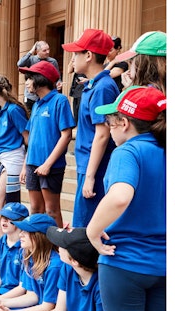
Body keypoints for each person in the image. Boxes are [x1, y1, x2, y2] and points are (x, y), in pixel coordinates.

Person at [87, 86, 166, 311]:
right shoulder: (171, 151)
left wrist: (92, 230)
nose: (109, 129)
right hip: (165, 262)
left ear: (124, 123)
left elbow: (120, 196)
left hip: (124, 261)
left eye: (110, 123)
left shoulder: (127, 152)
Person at [63, 28, 120, 228]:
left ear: (88, 55)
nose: (72, 59)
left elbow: (103, 134)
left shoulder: (103, 87)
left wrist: (90, 176)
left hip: (94, 167)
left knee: (86, 230)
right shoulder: (94, 85)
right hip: (87, 164)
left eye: (76, 53)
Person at [12, 226, 107, 311]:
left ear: (74, 261)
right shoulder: (68, 268)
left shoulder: (102, 287)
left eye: (62, 245)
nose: (57, 247)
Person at [19, 61, 74, 227]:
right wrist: (24, 165)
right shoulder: (36, 105)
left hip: (51, 166)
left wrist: (48, 164)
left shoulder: (60, 101)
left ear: (40, 79)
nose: (26, 82)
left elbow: (66, 135)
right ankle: (38, 248)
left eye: (29, 78)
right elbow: (32, 138)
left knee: (51, 211)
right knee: (35, 209)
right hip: (32, 163)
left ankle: (57, 250)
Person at [0, 75, 29, 215]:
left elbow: (28, 139)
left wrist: (24, 166)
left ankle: (8, 237)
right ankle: (6, 237)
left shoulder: (13, 110)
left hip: (12, 157)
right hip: (1, 157)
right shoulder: (1, 110)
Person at [18, 40, 63, 110]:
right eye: (44, 50)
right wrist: (31, 51)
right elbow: (20, 64)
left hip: (45, 96)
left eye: (48, 49)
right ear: (37, 51)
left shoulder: (53, 61)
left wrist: (59, 83)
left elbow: (57, 77)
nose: (47, 52)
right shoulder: (31, 59)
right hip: (31, 97)